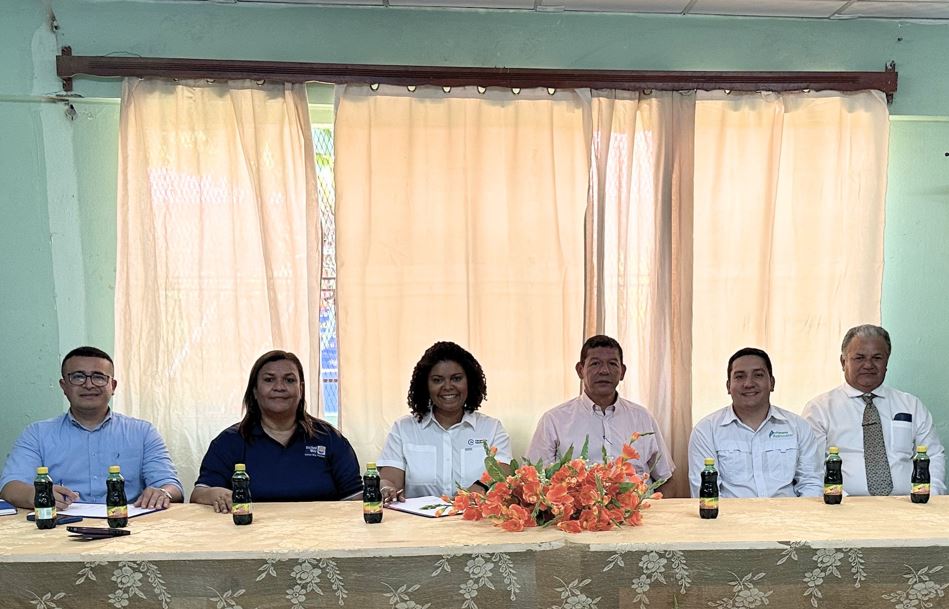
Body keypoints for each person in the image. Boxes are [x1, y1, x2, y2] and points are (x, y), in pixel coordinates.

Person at [0, 346, 183, 510]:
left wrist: (162, 492)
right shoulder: (37, 434)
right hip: (59, 527)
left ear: (113, 386)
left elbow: (170, 485)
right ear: (64, 386)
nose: (89, 385)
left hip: (127, 527)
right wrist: (40, 495)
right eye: (78, 377)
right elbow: (10, 487)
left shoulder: (143, 432)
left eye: (98, 377)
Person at [191, 350, 362, 512]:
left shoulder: (329, 438)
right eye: (269, 380)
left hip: (320, 536)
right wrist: (215, 494)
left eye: (289, 380)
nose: (279, 387)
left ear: (301, 389)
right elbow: (199, 493)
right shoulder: (229, 441)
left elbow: (355, 497)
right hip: (249, 536)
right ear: (255, 391)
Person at [802, 324, 946, 496]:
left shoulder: (911, 405)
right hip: (842, 507)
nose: (868, 365)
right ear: (843, 362)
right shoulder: (820, 409)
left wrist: (931, 495)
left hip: (908, 507)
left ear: (887, 362)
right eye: (859, 358)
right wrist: (839, 501)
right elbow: (810, 468)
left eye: (877, 358)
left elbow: (933, 456)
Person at [526, 335, 674, 484]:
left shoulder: (643, 418)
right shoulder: (554, 421)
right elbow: (534, 481)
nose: (604, 370)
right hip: (580, 507)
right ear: (580, 370)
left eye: (612, 364)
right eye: (595, 363)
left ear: (622, 372)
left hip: (641, 506)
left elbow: (666, 479)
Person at [378, 341, 512, 502]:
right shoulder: (403, 429)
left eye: (456, 378)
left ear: (469, 382)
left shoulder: (491, 428)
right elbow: (391, 481)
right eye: (437, 380)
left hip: (475, 522)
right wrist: (386, 488)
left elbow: (503, 472)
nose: (447, 387)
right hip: (418, 524)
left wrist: (481, 487)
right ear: (425, 385)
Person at [688, 347, 822, 498]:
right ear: (728, 386)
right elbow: (706, 493)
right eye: (739, 377)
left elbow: (811, 483)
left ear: (772, 383)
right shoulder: (706, 431)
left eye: (758, 375)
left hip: (787, 518)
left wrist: (800, 519)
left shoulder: (798, 427)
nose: (748, 383)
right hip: (730, 520)